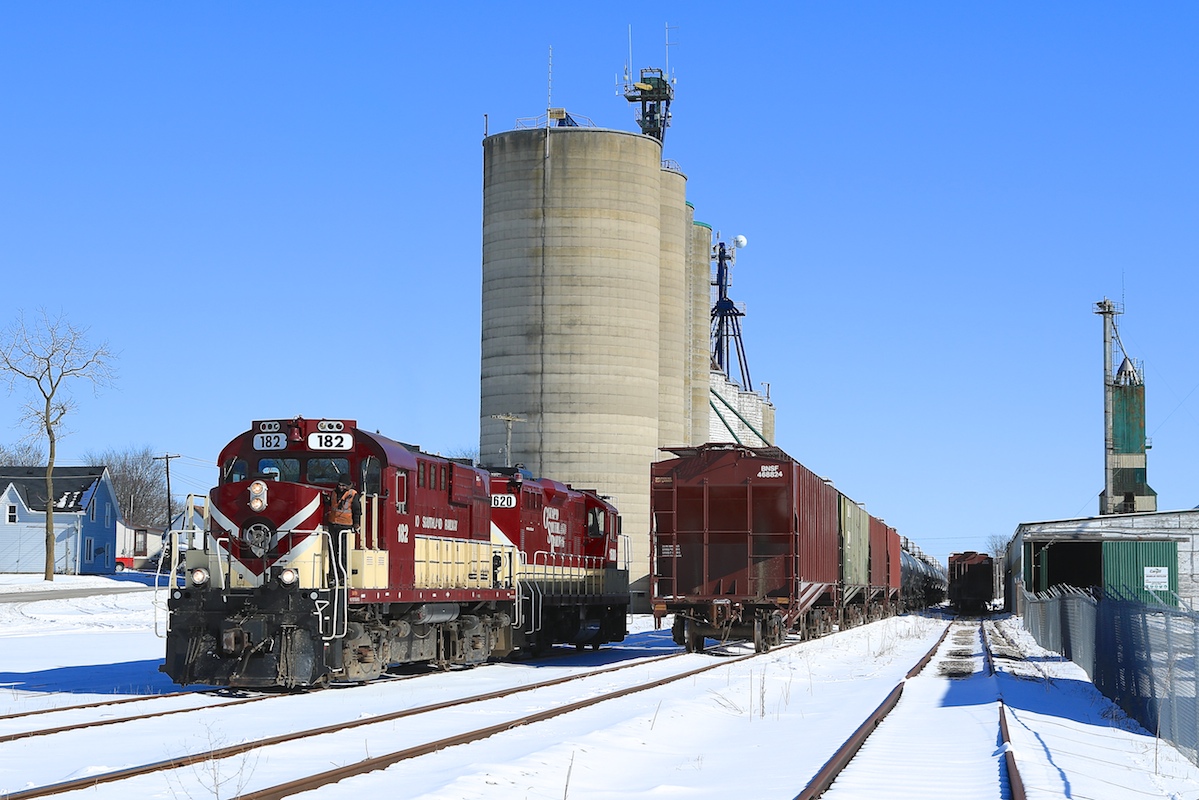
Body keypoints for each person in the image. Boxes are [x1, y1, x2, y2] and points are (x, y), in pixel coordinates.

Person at [325, 476, 360, 583]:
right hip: (333, 525)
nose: (341, 487)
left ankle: (342, 576)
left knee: (343, 553)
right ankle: (332, 575)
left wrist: (356, 524)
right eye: (340, 484)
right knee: (332, 551)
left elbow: (357, 510)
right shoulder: (333, 493)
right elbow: (331, 505)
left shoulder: (353, 494)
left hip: (345, 527)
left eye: (343, 485)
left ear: (348, 485)